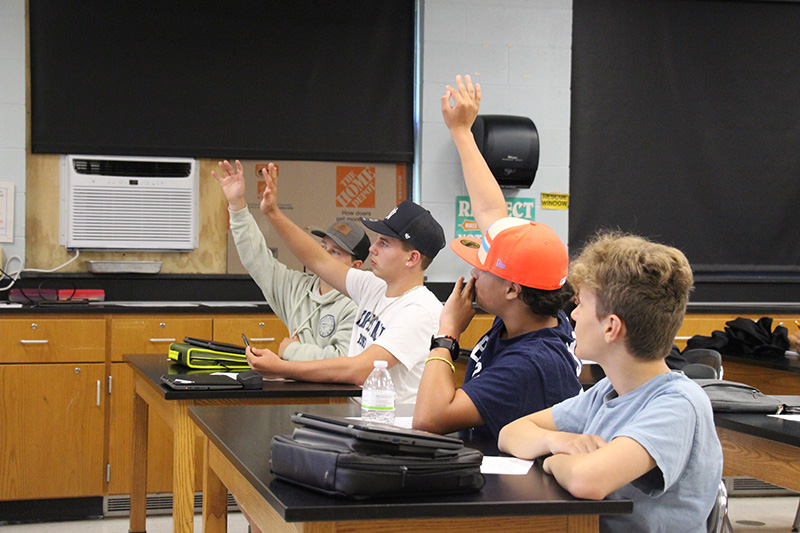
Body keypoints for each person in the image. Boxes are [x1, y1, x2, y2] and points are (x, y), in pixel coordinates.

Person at [498, 231, 724, 532]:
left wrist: (553, 460)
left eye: (580, 304)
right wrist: (556, 440)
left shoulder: (678, 405)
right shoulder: (608, 392)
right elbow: (510, 433)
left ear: (611, 327)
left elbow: (586, 480)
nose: (574, 314)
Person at [412, 74, 582, 447]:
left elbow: (429, 419)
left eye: (482, 268)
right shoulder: (530, 314)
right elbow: (490, 210)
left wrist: (447, 335)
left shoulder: (531, 362)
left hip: (514, 498)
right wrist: (461, 132)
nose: (472, 271)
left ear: (511, 288)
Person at [213, 160, 446, 404]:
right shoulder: (373, 287)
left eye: (384, 243)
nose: (373, 249)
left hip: (395, 429)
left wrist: (282, 366)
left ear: (412, 258)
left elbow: (358, 369)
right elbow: (317, 260)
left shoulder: (420, 310)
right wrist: (272, 213)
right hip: (363, 417)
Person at [213, 160, 370, 361]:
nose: (323, 256)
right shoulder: (298, 289)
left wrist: (292, 350)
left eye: (335, 252)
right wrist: (237, 206)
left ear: (356, 265)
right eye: (323, 248)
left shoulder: (360, 304)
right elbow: (256, 257)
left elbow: (343, 361)